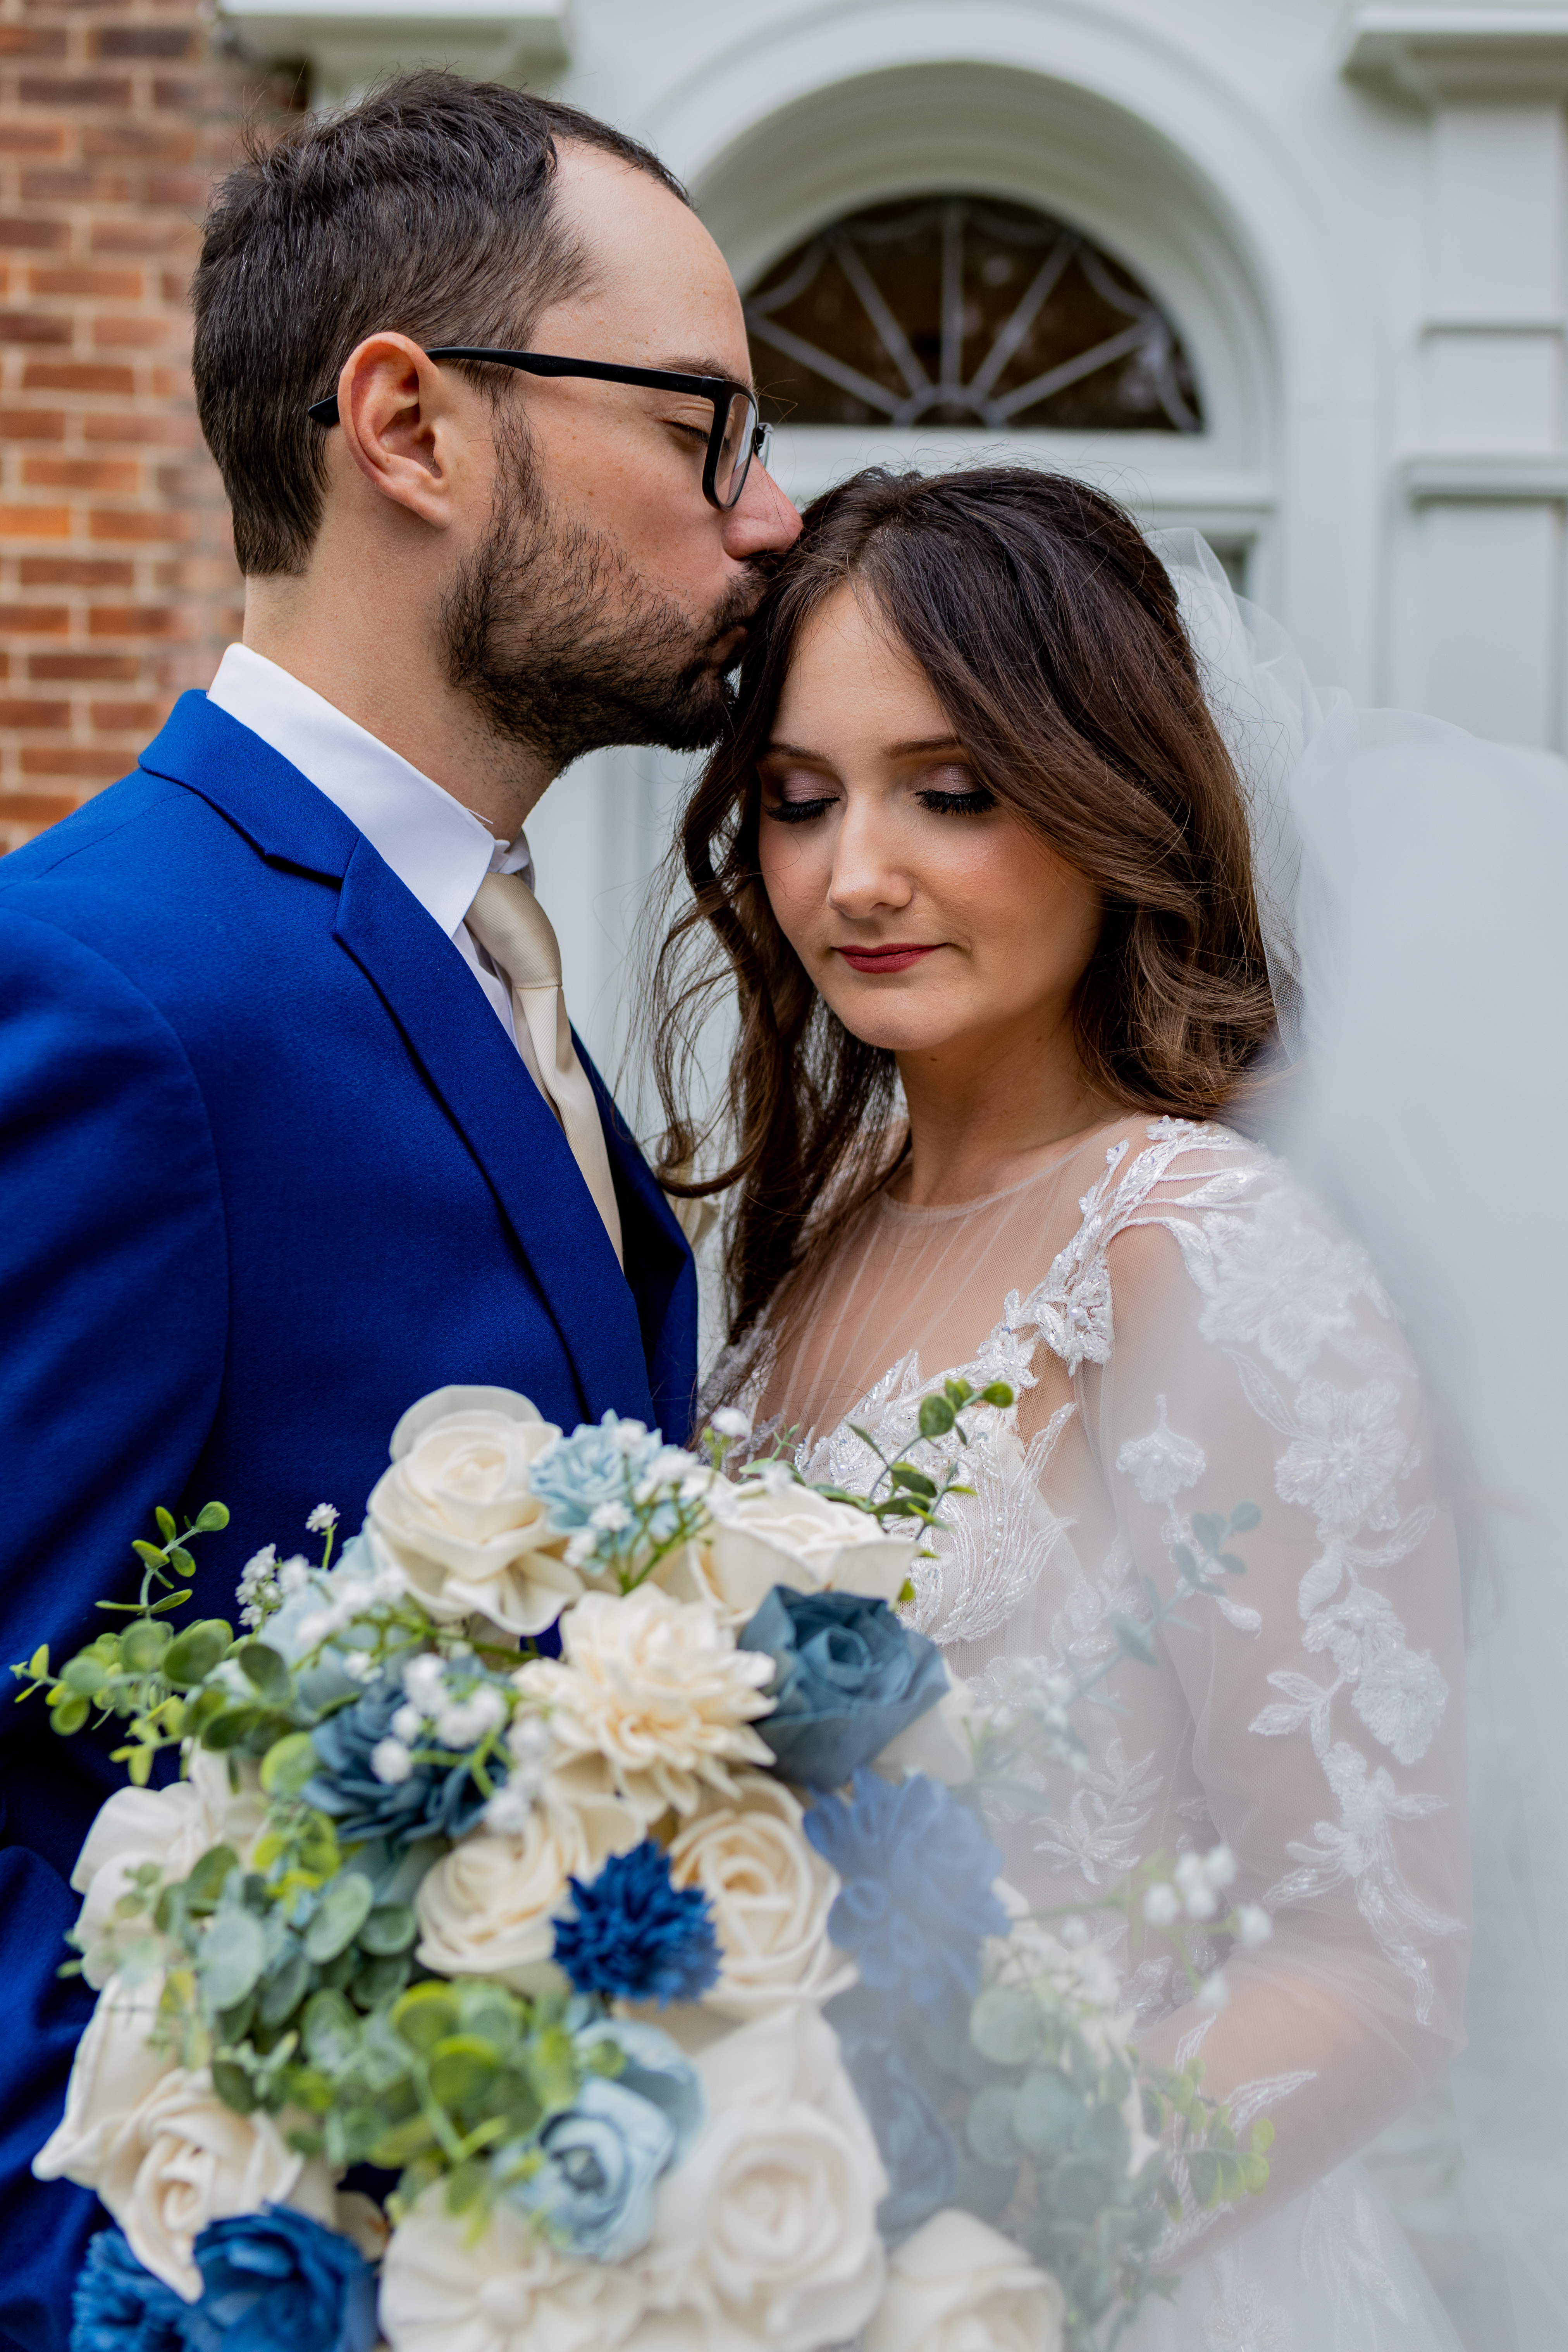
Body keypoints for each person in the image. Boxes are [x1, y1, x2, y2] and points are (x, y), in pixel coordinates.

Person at [0, 70, 799, 2351]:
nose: (771, 519)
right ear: (413, 428)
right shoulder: (104, 985)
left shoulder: (498, 964)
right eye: (705, 425)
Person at [650, 466, 1483, 2346]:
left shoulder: (1197, 1247)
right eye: (799, 801)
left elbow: (1371, 1965)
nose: (854, 872)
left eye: (950, 791)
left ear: (1112, 798)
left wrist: (934, 2247)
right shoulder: (809, 1264)